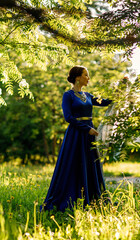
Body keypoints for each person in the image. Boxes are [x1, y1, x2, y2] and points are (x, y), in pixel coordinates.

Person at [40, 66, 112, 212]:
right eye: (86, 75)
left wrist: (121, 90)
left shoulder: (89, 95)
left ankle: (92, 198)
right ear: (78, 77)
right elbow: (68, 117)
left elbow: (105, 102)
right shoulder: (68, 95)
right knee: (72, 165)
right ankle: (69, 198)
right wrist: (87, 129)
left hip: (89, 135)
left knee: (89, 164)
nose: (88, 78)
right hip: (76, 135)